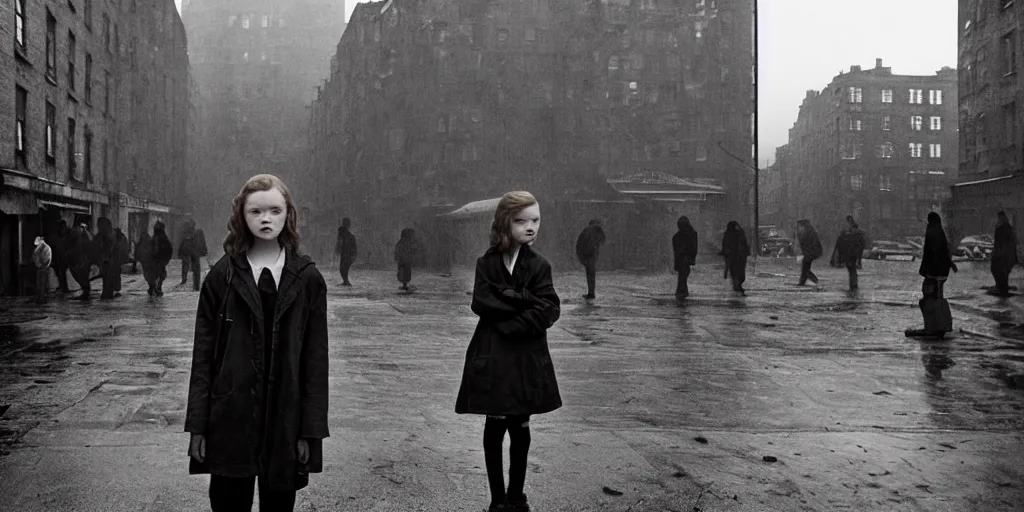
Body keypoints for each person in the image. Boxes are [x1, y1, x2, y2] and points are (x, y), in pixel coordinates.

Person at [185, 174, 329, 512]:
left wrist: (310, 430)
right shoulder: (222, 277)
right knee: (227, 503)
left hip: (286, 418)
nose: (266, 219)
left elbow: (315, 361)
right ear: (241, 216)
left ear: (288, 215)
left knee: (279, 504)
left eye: (275, 211)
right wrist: (198, 426)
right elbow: (203, 357)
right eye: (256, 211)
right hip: (230, 416)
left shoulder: (307, 279)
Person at [455, 190, 562, 512]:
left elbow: (549, 309)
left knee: (521, 424)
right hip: (495, 355)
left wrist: (509, 315)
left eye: (536, 220)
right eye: (521, 220)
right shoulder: (486, 263)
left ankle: (517, 495)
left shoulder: (540, 265)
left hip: (524, 355)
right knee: (495, 421)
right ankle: (497, 498)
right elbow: (481, 302)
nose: (531, 227)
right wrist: (523, 300)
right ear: (505, 223)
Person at [915, 212, 957, 336]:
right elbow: (944, 251)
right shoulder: (940, 231)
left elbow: (932, 253)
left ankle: (934, 326)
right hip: (941, 272)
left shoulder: (932, 232)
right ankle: (938, 325)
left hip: (933, 272)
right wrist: (950, 264)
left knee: (930, 299)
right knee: (936, 298)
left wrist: (927, 271)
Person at [575, 219, 606, 300]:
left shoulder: (586, 230)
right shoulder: (598, 229)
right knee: (591, 274)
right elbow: (603, 239)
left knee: (589, 274)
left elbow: (579, 243)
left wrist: (581, 256)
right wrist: (596, 245)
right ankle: (591, 293)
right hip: (592, 255)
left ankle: (591, 293)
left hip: (586, 254)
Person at [141, 221, 175, 296]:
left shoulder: (159, 239)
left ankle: (155, 287)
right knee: (157, 275)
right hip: (156, 260)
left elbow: (168, 250)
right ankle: (155, 287)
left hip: (158, 260)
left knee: (158, 275)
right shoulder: (158, 239)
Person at [834, 216, 867, 291]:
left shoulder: (852, 233)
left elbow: (843, 244)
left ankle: (853, 285)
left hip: (851, 253)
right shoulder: (854, 232)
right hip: (851, 253)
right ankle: (853, 284)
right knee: (852, 269)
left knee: (851, 269)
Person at [991, 211, 1019, 297]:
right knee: (1003, 272)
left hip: (1002, 255)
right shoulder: (1008, 228)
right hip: (1006, 255)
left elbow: (999, 244)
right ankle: (1002, 288)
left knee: (998, 270)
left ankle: (1002, 289)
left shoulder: (1000, 229)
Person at [719, 221, 750, 295]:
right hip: (735, 256)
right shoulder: (731, 233)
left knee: (736, 272)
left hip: (737, 256)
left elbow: (743, 244)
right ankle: (737, 285)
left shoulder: (737, 233)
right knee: (736, 272)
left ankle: (737, 285)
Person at [671, 215, 698, 299]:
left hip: (684, 259)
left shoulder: (681, 236)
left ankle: (681, 292)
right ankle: (682, 292)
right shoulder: (688, 234)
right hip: (683, 259)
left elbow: (692, 248)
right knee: (683, 276)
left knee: (682, 276)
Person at [67, 223, 94, 300]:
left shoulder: (86, 235)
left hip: (84, 260)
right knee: (82, 277)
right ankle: (85, 293)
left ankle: (86, 294)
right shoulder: (82, 235)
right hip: (82, 260)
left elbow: (86, 248)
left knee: (83, 277)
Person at [796, 219, 823, 286]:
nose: (799, 227)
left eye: (800, 226)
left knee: (805, 268)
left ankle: (814, 280)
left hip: (812, 252)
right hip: (810, 252)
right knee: (805, 268)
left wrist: (806, 254)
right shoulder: (807, 231)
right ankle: (804, 282)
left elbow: (810, 244)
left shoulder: (809, 232)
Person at [47, 220, 71, 293]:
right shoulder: (56, 235)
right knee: (59, 273)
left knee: (61, 272)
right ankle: (62, 287)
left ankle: (64, 288)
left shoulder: (67, 234)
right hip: (58, 257)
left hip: (63, 257)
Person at [335, 217, 358, 286]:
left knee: (344, 268)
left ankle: (346, 282)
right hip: (347, 253)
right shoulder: (346, 233)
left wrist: (338, 249)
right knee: (343, 268)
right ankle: (346, 281)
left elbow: (340, 242)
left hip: (348, 253)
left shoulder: (344, 233)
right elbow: (340, 242)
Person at [32, 236, 52, 304]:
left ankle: (42, 298)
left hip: (44, 267)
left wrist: (42, 265)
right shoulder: (39, 248)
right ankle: (40, 297)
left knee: (43, 283)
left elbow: (48, 259)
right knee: (39, 283)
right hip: (40, 267)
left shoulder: (46, 248)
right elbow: (35, 257)